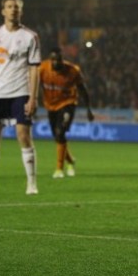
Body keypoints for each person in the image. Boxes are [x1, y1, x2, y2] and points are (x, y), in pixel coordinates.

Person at [0, 0, 41, 195]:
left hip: (20, 92)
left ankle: (31, 183)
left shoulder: (30, 37)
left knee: (24, 136)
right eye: (9, 7)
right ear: (3, 11)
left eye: (17, 7)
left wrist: (33, 97)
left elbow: (34, 69)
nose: (13, 10)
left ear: (21, 11)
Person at [39, 47, 95, 179]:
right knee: (58, 137)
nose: (56, 63)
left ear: (62, 59)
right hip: (50, 105)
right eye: (54, 60)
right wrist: (33, 101)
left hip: (67, 104)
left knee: (60, 132)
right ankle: (70, 161)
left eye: (59, 60)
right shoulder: (42, 69)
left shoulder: (73, 71)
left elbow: (82, 89)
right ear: (50, 60)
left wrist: (88, 109)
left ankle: (59, 169)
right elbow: (34, 84)